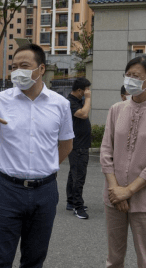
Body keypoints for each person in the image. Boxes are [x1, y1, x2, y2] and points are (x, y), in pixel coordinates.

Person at [0, 43, 74, 268]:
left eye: (24, 66)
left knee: (34, 259)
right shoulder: (0, 100)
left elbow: (66, 145)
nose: (17, 71)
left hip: (45, 192)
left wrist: (44, 169)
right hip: (8, 190)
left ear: (41, 69)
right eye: (14, 67)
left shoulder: (60, 104)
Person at [100, 56, 146, 268]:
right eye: (128, 75)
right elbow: (106, 151)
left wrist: (128, 191)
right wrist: (116, 190)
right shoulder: (116, 109)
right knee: (114, 259)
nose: (130, 80)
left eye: (136, 76)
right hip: (113, 198)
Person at [66, 77, 92, 219]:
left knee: (74, 174)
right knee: (79, 176)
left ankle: (71, 201)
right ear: (80, 90)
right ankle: (78, 206)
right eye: (87, 89)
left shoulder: (76, 101)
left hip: (81, 144)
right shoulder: (70, 102)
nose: (89, 92)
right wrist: (87, 99)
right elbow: (83, 114)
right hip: (78, 146)